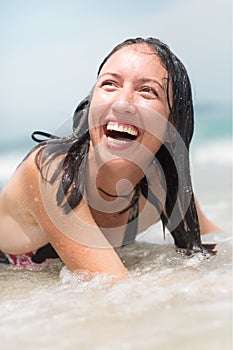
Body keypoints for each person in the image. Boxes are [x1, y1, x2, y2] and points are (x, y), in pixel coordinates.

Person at [0, 37, 219, 277]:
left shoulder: (162, 183)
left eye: (147, 91)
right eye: (110, 84)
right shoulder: (51, 171)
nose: (123, 103)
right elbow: (113, 285)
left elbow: (215, 240)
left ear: (171, 127)